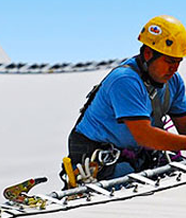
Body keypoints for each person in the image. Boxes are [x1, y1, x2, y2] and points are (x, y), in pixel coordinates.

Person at [64, 15, 186, 186]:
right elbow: (145, 136)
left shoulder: (173, 82)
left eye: (178, 62)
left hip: (135, 153)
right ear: (148, 54)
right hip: (96, 156)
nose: (174, 68)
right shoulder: (125, 80)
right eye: (169, 61)